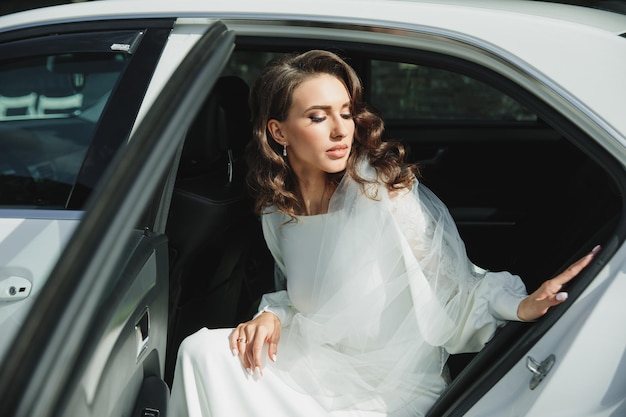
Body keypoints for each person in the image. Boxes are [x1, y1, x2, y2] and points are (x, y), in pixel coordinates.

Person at [169, 50, 599, 417]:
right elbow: (310, 301)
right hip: (317, 363)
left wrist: (520, 306)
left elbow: (454, 288)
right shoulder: (276, 213)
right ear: (278, 131)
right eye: (318, 117)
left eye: (345, 112)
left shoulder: (384, 195)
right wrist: (272, 314)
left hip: (388, 391)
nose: (340, 130)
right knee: (200, 352)